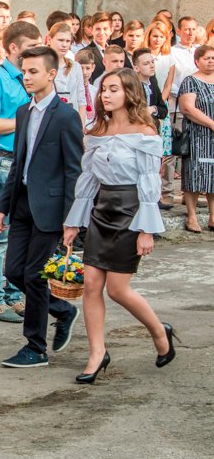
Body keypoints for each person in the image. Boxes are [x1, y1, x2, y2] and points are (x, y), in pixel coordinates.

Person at [63, 68, 175, 383]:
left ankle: (159, 331)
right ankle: (97, 353)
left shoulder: (144, 132)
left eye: (114, 89)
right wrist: (73, 222)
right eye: (103, 89)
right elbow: (88, 179)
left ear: (129, 93)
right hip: (102, 210)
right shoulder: (96, 131)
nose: (106, 95)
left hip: (131, 211)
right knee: (91, 285)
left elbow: (149, 181)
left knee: (117, 289)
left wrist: (146, 230)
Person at [0, 46, 83, 368]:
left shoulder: (66, 116)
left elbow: (74, 171)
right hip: (22, 204)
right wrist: (2, 206)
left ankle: (35, 347)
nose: (27, 77)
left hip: (51, 208)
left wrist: (72, 218)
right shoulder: (23, 112)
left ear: (51, 74)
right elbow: (18, 163)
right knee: (14, 271)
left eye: (33, 71)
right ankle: (62, 309)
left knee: (34, 274)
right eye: (24, 72)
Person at [0, 21, 42, 322]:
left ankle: (15, 296)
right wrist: (30, 118)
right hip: (4, 160)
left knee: (21, 232)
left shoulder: (30, 77)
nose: (37, 51)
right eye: (31, 46)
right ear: (13, 47)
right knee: (0, 233)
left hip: (28, 160)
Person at [177, 45, 214, 233]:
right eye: (207, 58)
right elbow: (188, 108)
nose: (211, 61)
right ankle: (191, 216)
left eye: (213, 58)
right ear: (197, 61)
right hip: (198, 134)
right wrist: (212, 124)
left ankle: (213, 216)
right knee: (194, 174)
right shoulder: (190, 81)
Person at [143, 21, 177, 207]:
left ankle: (162, 192)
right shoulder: (143, 55)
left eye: (161, 37)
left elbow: (167, 85)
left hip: (160, 106)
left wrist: (159, 103)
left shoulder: (169, 58)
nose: (157, 39)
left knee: (163, 154)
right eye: (154, 36)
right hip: (145, 107)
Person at [47, 22, 88, 123]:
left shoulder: (76, 67)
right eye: (60, 40)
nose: (64, 45)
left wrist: (81, 126)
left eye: (68, 41)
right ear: (49, 39)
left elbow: (81, 99)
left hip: (72, 121)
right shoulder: (42, 66)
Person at [132, 48, 169, 129]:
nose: (152, 66)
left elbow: (164, 110)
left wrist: (153, 109)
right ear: (136, 68)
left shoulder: (153, 84)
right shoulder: (132, 86)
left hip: (153, 129)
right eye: (146, 64)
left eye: (152, 62)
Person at [87, 12, 112, 82]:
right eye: (98, 29)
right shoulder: (86, 52)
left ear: (111, 30)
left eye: (105, 29)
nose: (101, 33)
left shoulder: (116, 52)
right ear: (91, 30)